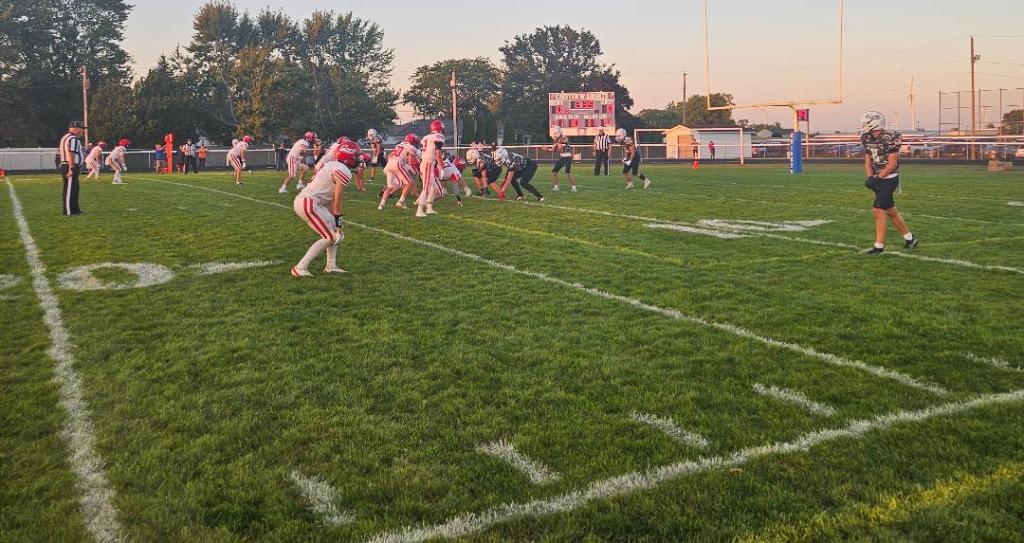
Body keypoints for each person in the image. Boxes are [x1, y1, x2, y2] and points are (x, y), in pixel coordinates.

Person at [291, 140, 360, 277]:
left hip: (309, 201)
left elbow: (331, 197)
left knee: (334, 233)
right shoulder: (343, 171)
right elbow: (337, 201)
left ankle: (331, 265)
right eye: (356, 155)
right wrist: (338, 224)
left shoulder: (332, 165)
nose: (359, 158)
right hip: (309, 203)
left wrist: (335, 222)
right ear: (349, 156)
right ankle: (300, 267)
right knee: (331, 236)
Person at [860, 111, 917, 254]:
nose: (863, 125)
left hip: (889, 178)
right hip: (877, 178)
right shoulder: (866, 137)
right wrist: (870, 177)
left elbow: (891, 165)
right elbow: (868, 161)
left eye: (866, 122)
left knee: (878, 210)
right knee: (890, 211)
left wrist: (877, 178)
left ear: (875, 123)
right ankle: (910, 239)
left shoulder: (891, 137)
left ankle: (879, 246)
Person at [379, 134, 421, 209]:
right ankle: (400, 202)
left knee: (389, 186)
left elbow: (389, 156)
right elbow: (411, 162)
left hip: (389, 164)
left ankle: (381, 205)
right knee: (409, 182)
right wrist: (415, 171)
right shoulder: (411, 147)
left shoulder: (399, 145)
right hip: (397, 164)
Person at [417, 120, 446, 217]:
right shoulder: (438, 137)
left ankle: (429, 208)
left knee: (434, 188)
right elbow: (438, 154)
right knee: (425, 188)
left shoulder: (427, 137)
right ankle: (419, 210)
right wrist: (442, 167)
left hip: (426, 163)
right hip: (428, 163)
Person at [58, 121, 87, 215]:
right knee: (70, 189)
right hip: (70, 166)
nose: (83, 131)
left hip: (68, 165)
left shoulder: (66, 137)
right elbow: (71, 153)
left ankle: (75, 209)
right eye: (82, 129)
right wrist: (71, 168)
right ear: (76, 128)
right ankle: (69, 211)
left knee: (74, 188)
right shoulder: (73, 138)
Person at [550, 126, 577, 192]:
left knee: (567, 173)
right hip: (562, 157)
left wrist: (556, 142)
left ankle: (574, 187)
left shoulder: (564, 138)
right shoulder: (557, 139)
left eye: (556, 133)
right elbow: (553, 149)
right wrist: (547, 149)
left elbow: (560, 148)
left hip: (567, 156)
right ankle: (556, 187)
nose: (555, 134)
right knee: (554, 171)